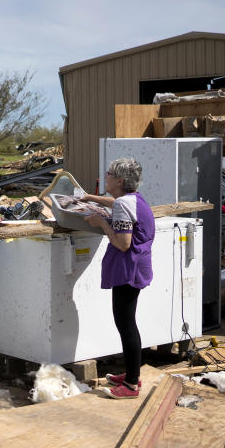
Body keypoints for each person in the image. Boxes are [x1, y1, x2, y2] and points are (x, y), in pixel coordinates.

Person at [82, 157, 155, 399]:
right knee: (127, 322)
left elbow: (123, 243)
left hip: (128, 268)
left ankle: (132, 384)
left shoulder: (123, 205)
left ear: (120, 180)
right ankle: (131, 372)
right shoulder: (132, 199)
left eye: (109, 173)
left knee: (125, 324)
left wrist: (101, 222)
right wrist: (91, 198)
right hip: (137, 265)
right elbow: (116, 203)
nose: (106, 175)